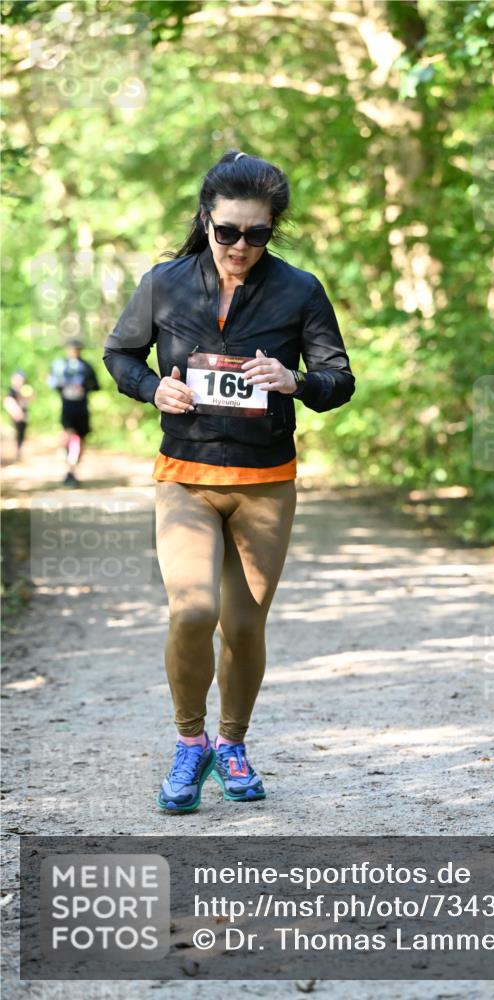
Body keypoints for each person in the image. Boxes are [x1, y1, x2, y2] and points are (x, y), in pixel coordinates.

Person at [103, 149, 355, 812]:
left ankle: (231, 743)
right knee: (192, 610)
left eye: (257, 234)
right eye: (227, 232)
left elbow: (340, 381)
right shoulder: (164, 283)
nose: (240, 245)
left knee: (243, 627)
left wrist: (295, 381)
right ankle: (190, 745)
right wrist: (151, 387)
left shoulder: (299, 290)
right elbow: (119, 353)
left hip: (264, 482)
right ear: (206, 221)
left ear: (273, 229)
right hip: (185, 475)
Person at [47, 338, 100, 486]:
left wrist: (84, 388)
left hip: (82, 407)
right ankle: (69, 469)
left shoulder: (87, 366)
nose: (74, 352)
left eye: (77, 349)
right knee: (68, 436)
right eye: (72, 349)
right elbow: (51, 382)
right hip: (67, 406)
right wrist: (63, 388)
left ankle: (73, 470)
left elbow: (96, 385)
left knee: (81, 438)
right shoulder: (59, 365)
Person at [3, 370, 33, 462]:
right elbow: (8, 401)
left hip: (23, 417)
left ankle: (18, 453)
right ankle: (11, 455)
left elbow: (30, 400)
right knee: (15, 435)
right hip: (15, 417)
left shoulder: (24, 389)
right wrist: (15, 411)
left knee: (21, 435)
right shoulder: (12, 390)